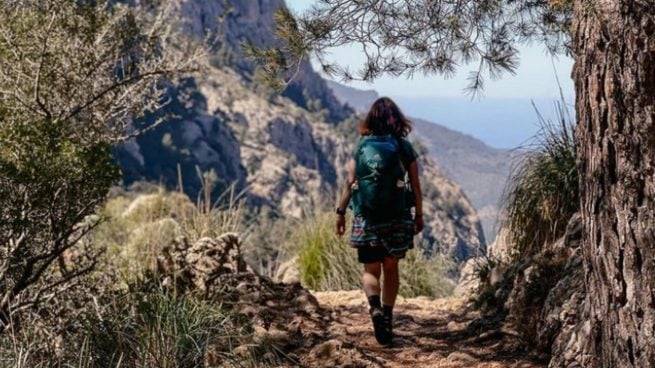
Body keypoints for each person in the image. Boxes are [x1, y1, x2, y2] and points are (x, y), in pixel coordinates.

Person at [336, 97, 424, 346]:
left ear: (371, 119)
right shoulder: (403, 146)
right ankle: (386, 315)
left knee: (370, 270)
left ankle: (373, 308)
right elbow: (415, 185)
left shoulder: (362, 145)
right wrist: (419, 214)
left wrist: (340, 213)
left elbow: (350, 184)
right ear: (397, 119)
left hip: (367, 218)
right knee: (391, 267)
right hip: (396, 218)